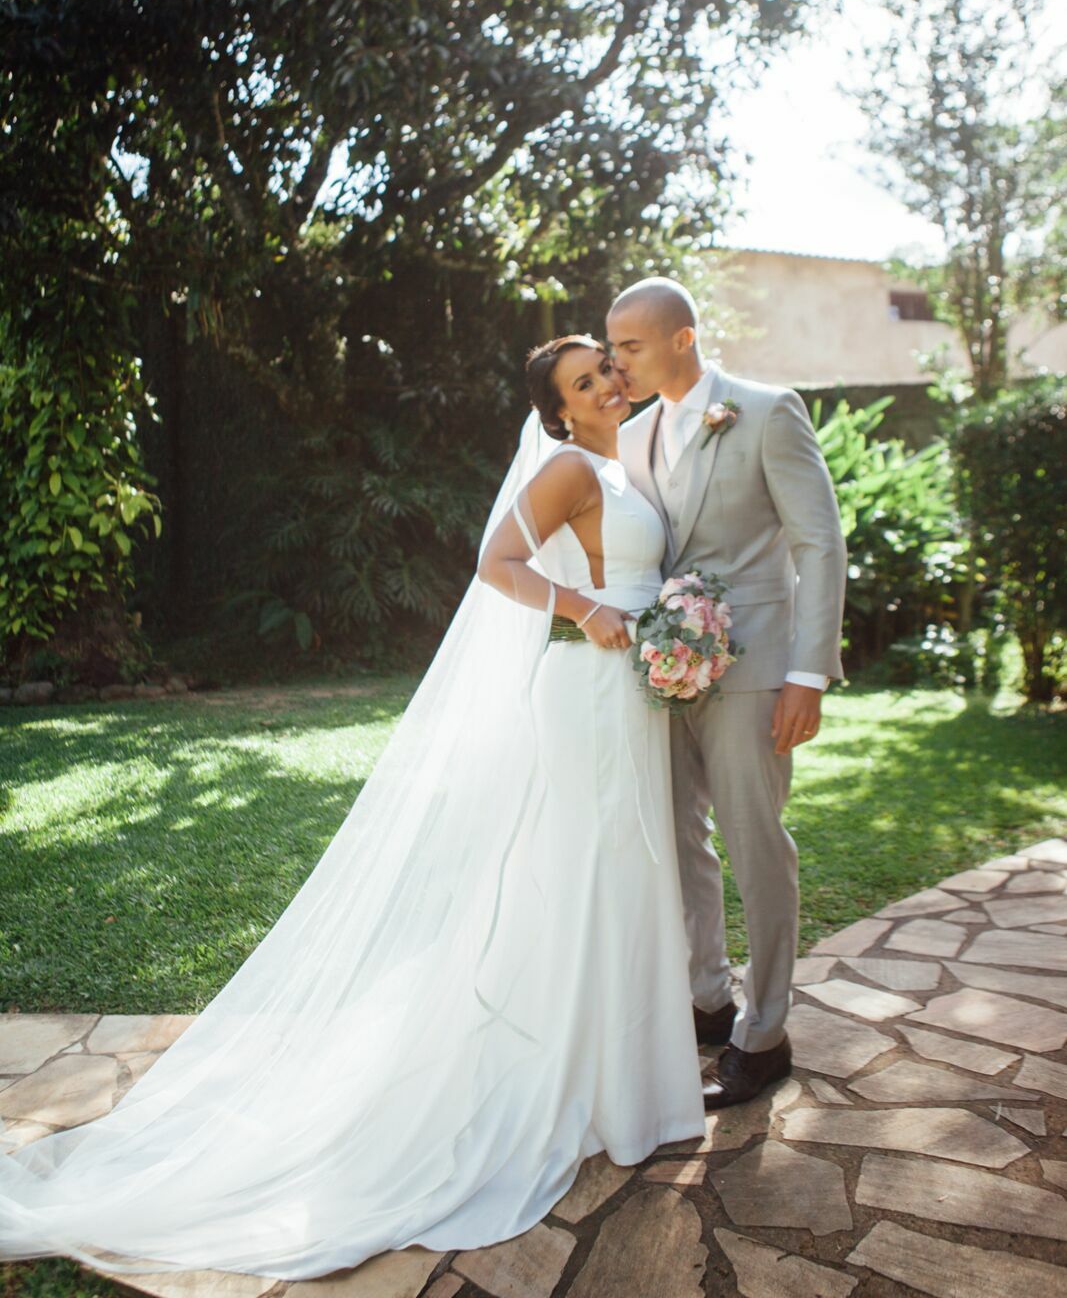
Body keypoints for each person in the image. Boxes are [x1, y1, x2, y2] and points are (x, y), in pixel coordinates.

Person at [0, 334, 706, 1281]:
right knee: (584, 874)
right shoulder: (571, 469)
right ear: (560, 412)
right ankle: (579, 1091)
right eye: (584, 381)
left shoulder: (633, 465)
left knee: (624, 874)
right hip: (583, 699)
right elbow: (495, 561)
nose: (605, 384)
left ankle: (629, 1093)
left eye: (606, 369)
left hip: (634, 701)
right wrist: (583, 611)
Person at [609, 276, 848, 1109]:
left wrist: (806, 674)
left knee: (755, 844)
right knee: (677, 843)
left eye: (630, 346)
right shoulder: (630, 436)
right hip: (663, 676)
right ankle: (708, 1001)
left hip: (755, 671)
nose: (617, 364)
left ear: (682, 337)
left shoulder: (765, 410)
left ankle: (766, 1032)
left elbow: (819, 543)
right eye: (611, 350)